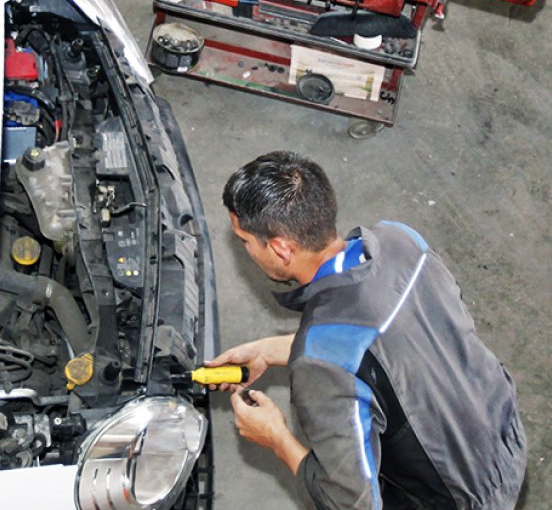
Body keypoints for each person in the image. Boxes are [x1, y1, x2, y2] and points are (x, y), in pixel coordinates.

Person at [208, 151, 526, 509]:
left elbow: (352, 503)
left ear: (281, 248)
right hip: (506, 439)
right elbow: (385, 332)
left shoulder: (321, 368)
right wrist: (268, 351)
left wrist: (276, 437)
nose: (246, 251)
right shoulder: (402, 241)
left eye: (245, 241)